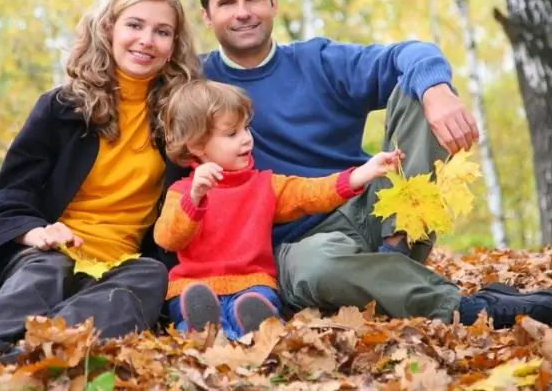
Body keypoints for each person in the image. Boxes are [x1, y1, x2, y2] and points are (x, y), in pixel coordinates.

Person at [183, 0, 552, 329]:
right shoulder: (195, 84)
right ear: (206, 15)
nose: (243, 12)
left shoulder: (318, 61)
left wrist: (436, 90)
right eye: (227, 2)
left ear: (273, 2)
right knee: (317, 270)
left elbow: (408, 53)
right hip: (299, 244)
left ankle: (396, 250)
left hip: (369, 205)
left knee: (417, 88)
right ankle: (464, 306)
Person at [0, 0, 197, 362]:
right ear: (108, 28)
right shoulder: (61, 108)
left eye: (162, 32)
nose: (147, 39)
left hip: (119, 266)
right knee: (48, 267)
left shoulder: (178, 122)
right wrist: (36, 232)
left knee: (150, 276)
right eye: (134, 25)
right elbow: (8, 197)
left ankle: (40, 353)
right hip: (48, 252)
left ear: (173, 47)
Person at [153, 80, 403, 339]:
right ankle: (207, 329)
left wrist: (362, 173)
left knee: (255, 300)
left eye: (246, 128)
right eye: (231, 134)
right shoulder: (183, 191)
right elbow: (167, 239)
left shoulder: (264, 185)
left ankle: (252, 326)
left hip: (250, 282)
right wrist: (194, 199)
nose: (246, 139)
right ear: (196, 146)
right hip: (195, 284)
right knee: (191, 303)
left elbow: (310, 193)